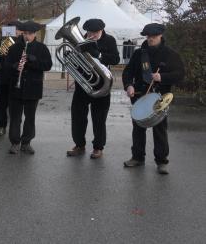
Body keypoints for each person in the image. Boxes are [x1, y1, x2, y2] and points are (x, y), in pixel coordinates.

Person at [122, 23, 184, 174]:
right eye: (148, 36)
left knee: (160, 130)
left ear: (161, 36)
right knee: (138, 128)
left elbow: (180, 74)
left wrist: (162, 76)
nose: (150, 39)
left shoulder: (170, 54)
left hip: (160, 97)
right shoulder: (139, 54)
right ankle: (137, 157)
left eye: (153, 36)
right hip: (140, 95)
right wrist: (129, 85)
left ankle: (161, 161)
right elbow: (127, 73)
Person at [66, 19, 120, 159]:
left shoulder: (109, 40)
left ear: (101, 30)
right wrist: (70, 57)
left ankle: (98, 147)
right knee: (77, 117)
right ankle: (79, 145)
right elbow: (75, 60)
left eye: (96, 33)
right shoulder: (81, 39)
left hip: (102, 84)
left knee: (99, 119)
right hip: (82, 84)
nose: (92, 35)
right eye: (90, 32)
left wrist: (99, 55)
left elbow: (115, 59)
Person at [5, 21, 52, 154]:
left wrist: (33, 60)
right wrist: (15, 66)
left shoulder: (41, 48)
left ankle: (26, 142)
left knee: (30, 117)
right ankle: (14, 142)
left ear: (35, 34)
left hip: (33, 87)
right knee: (15, 117)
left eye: (30, 34)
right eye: (25, 34)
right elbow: (6, 66)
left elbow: (48, 65)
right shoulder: (14, 48)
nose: (27, 37)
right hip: (16, 87)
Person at [0, 21, 23, 137]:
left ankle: (15, 129)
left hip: (16, 77)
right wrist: (2, 51)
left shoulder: (23, 42)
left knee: (15, 105)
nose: (14, 32)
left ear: (20, 31)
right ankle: (1, 125)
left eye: (15, 29)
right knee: (1, 103)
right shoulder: (5, 41)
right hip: (4, 77)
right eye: (10, 29)